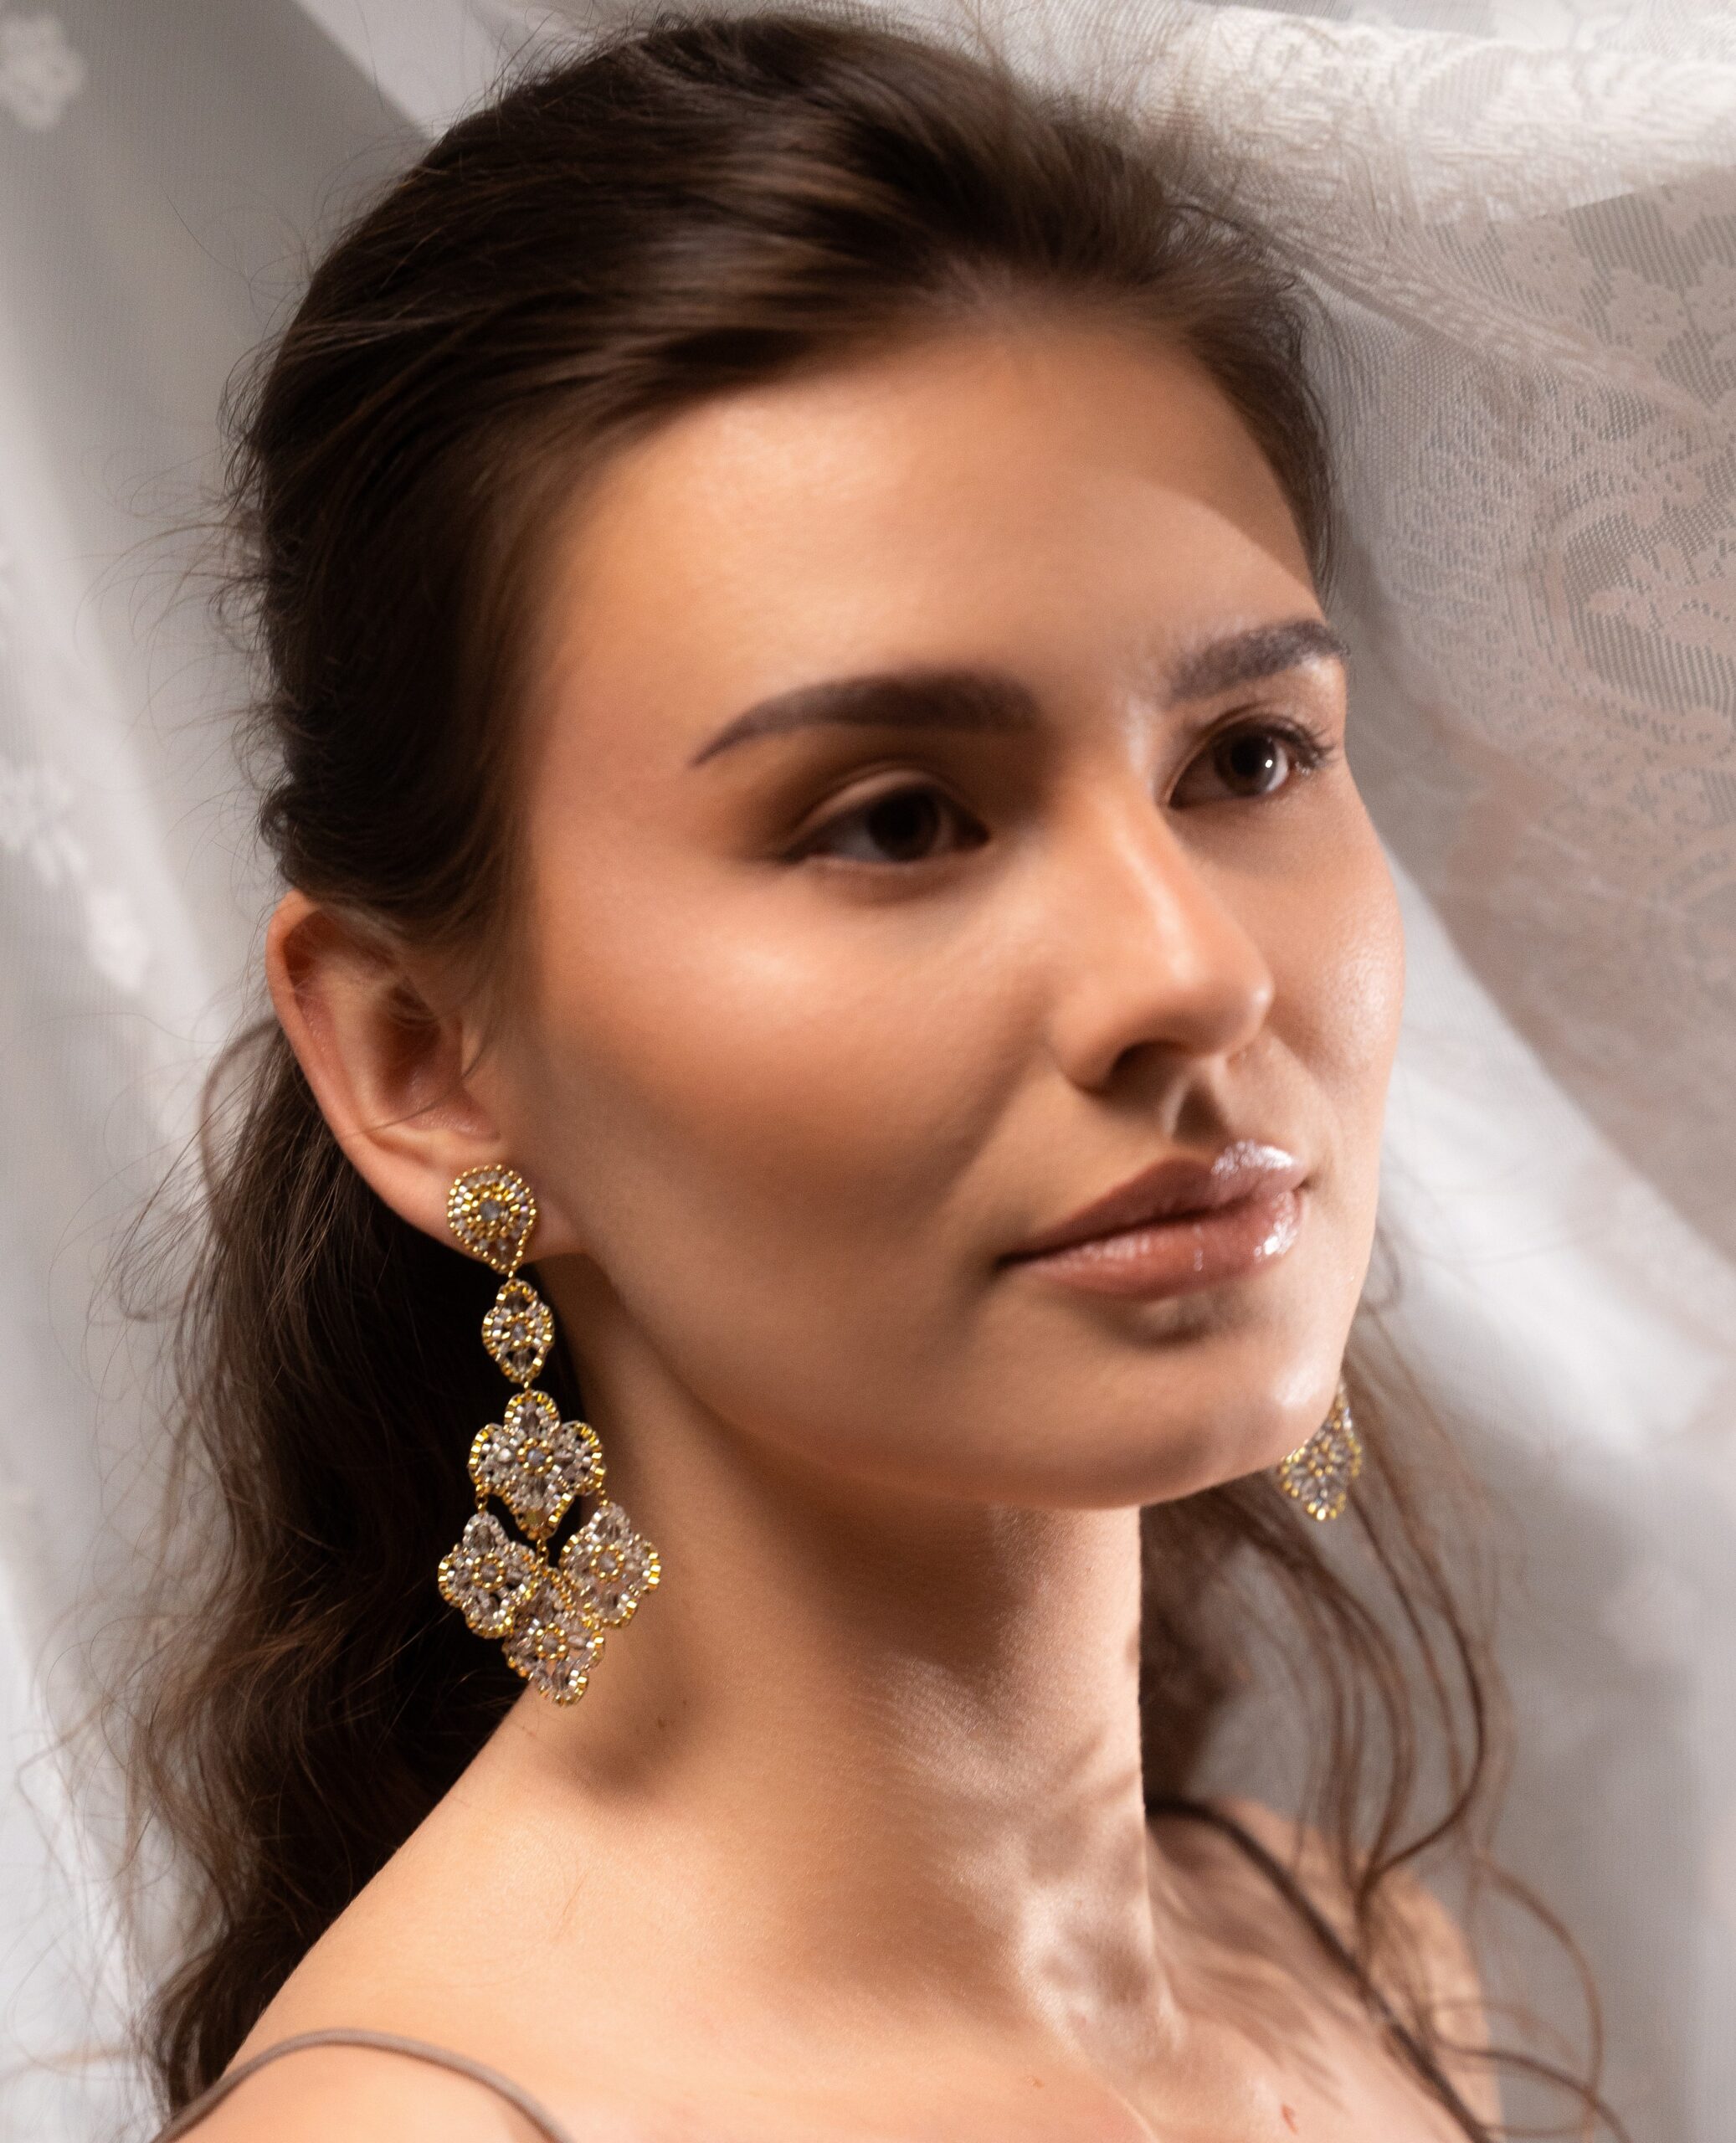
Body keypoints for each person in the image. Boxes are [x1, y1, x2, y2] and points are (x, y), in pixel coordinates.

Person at [122, 11, 1616, 2139]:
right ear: (422, 1060)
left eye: (1247, 756)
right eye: (897, 819)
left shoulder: (1356, 1961)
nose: (1189, 971)